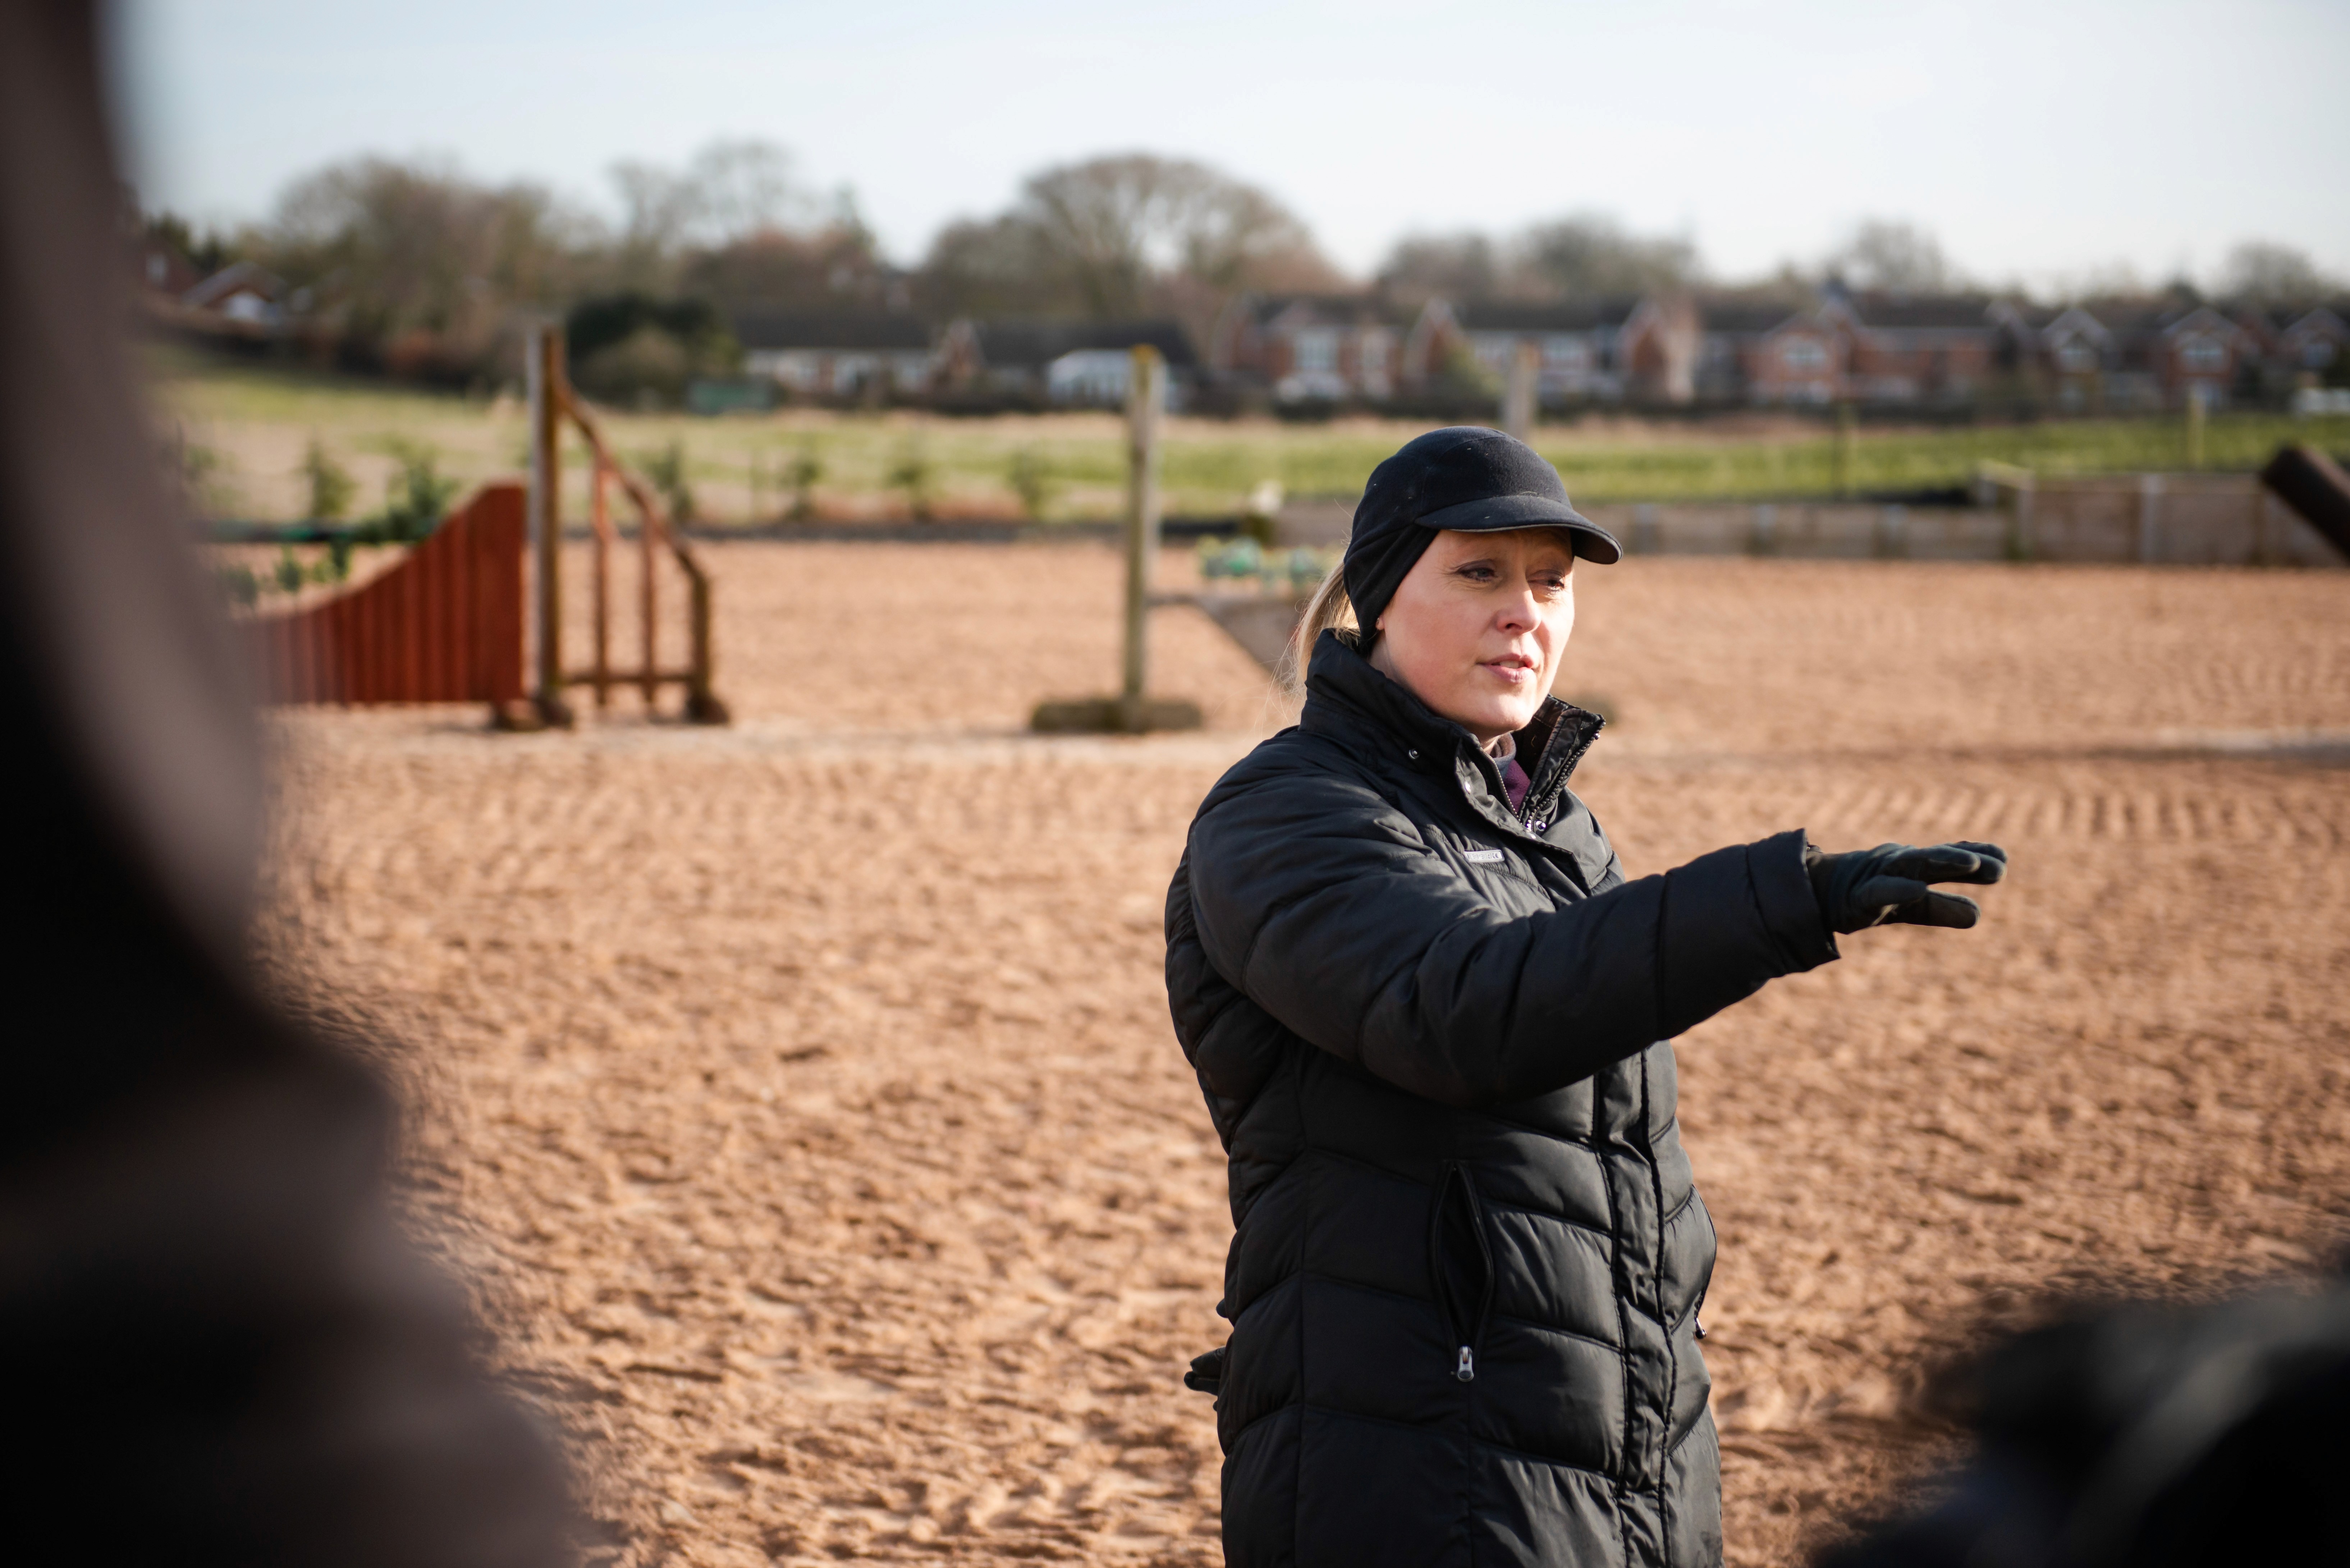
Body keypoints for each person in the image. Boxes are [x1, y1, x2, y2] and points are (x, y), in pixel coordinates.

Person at [1165, 427, 2007, 1568]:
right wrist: (1778, 902)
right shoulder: (1283, 814)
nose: (1527, 612)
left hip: (1617, 1452)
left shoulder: (1550, 829)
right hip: (1419, 1461)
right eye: (1479, 572)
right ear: (1377, 594)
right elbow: (1464, 1010)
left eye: (1551, 581)